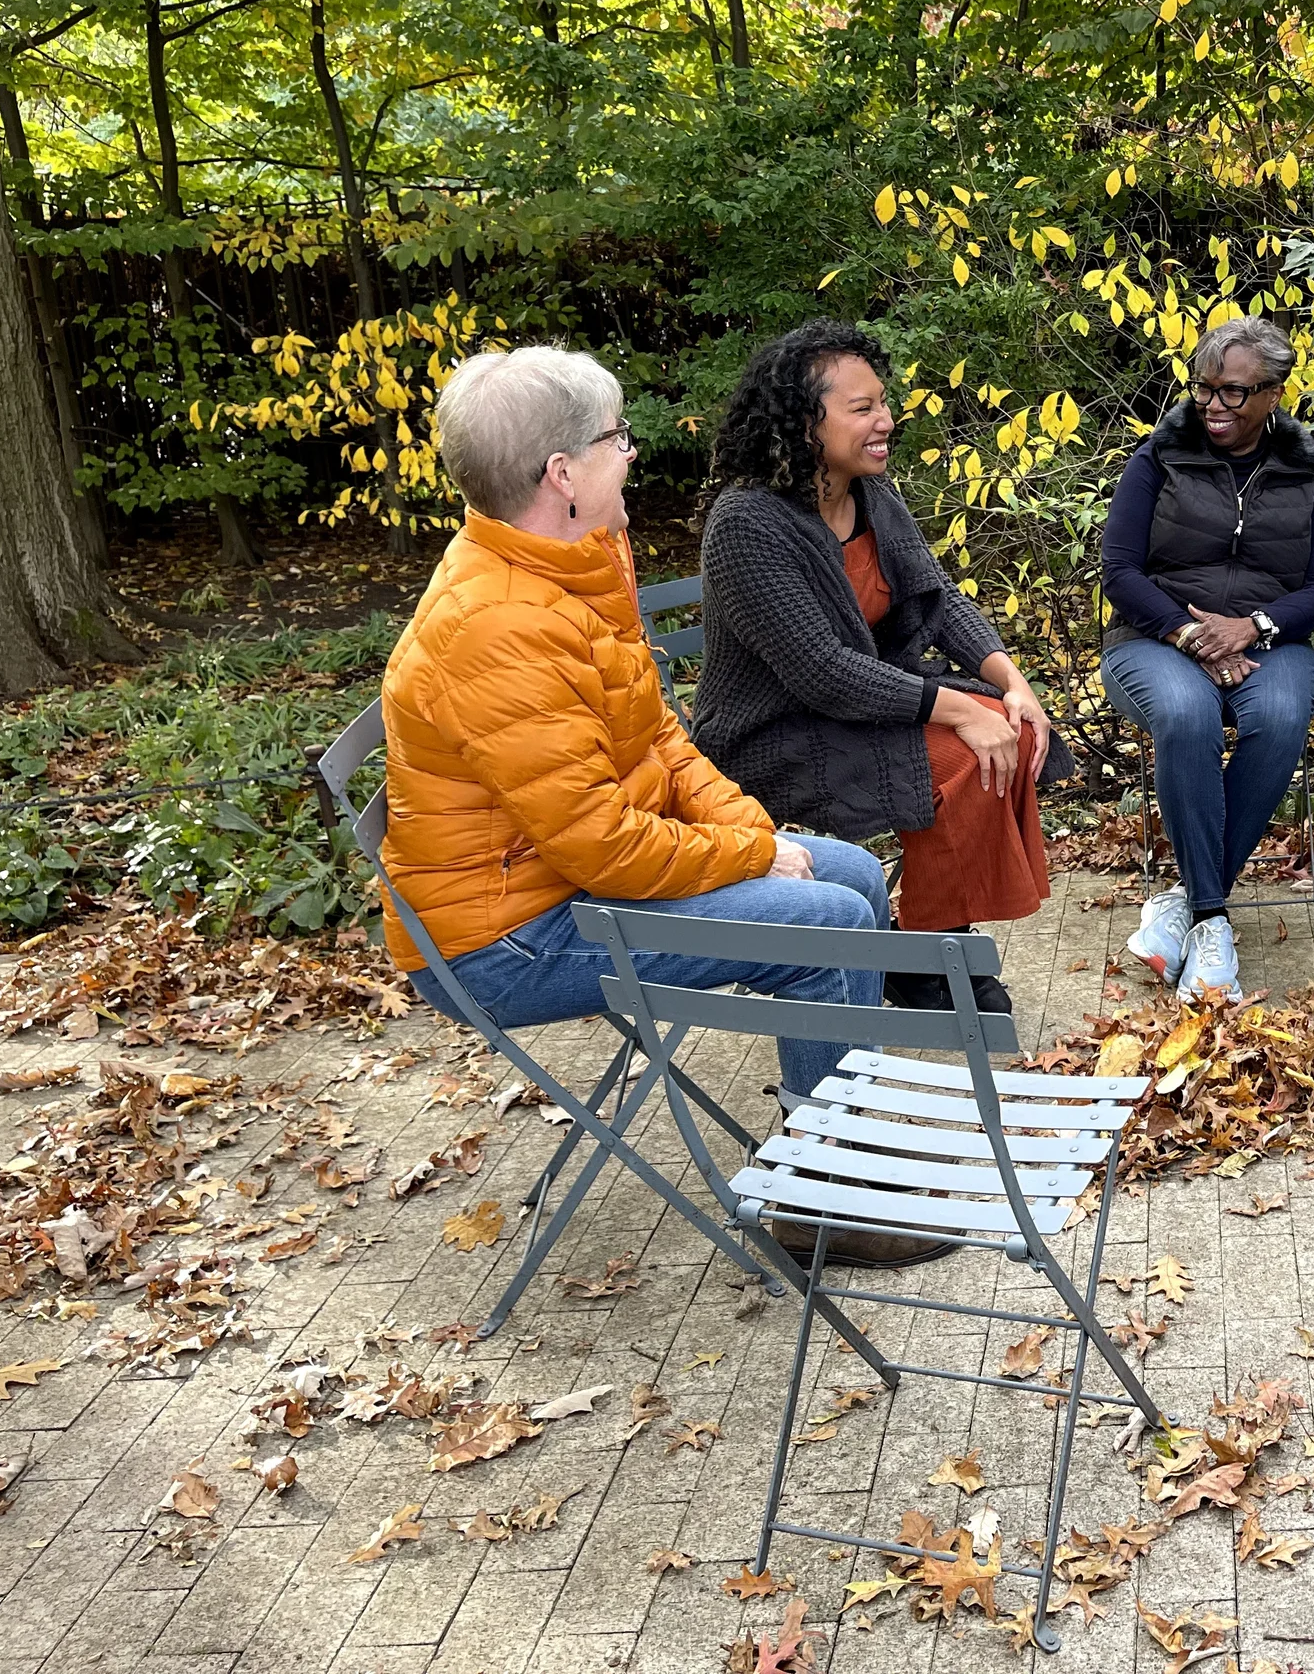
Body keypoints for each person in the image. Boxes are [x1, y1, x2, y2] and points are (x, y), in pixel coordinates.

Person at [379, 346, 935, 1263]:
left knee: (850, 874)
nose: (631, 453)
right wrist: (755, 858)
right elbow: (600, 845)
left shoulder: (574, 564)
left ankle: (838, 1139)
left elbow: (662, 743)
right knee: (826, 920)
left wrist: (752, 833)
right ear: (562, 474)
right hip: (502, 942)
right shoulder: (498, 626)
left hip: (558, 884)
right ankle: (822, 1205)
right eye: (616, 438)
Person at [693, 319, 1066, 1015]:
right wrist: (958, 708)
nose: (886, 421)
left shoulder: (871, 493)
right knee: (964, 749)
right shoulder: (747, 523)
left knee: (1001, 724)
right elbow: (823, 670)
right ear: (806, 423)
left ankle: (929, 940)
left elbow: (939, 599)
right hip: (770, 738)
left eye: (882, 404)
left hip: (855, 715)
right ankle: (925, 961)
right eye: (862, 409)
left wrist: (1013, 682)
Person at [1101, 315, 1314, 1002]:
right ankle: (1212, 919)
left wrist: (1254, 625)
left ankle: (1186, 903)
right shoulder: (1159, 456)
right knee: (1186, 712)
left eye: (1234, 392)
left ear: (1274, 394)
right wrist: (1191, 635)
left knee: (1282, 714)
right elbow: (1118, 570)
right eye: (1204, 388)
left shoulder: (1306, 470)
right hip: (1154, 637)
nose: (1213, 405)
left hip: (1272, 640)